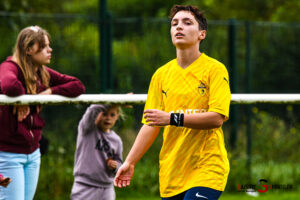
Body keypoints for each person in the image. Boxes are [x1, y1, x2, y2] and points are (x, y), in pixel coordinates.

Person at [114, 5, 231, 200]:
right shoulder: (161, 75)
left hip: (207, 167)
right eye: (174, 23)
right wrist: (130, 162)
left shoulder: (215, 70)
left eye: (187, 23)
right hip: (172, 172)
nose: (179, 27)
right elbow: (151, 123)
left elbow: (217, 117)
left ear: (202, 34)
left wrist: (171, 118)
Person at [0, 25, 85, 200]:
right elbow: (9, 86)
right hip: (9, 154)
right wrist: (26, 99)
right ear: (29, 49)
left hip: (33, 152)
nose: (50, 50)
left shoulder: (42, 73)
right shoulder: (10, 67)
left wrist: (50, 92)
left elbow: (77, 85)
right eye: (44, 46)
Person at [71, 104, 123, 200]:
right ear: (97, 113)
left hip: (107, 188)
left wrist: (115, 166)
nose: (108, 118)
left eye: (112, 115)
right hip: (84, 185)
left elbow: (120, 163)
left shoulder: (117, 140)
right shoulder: (87, 129)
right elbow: (92, 108)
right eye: (104, 114)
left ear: (117, 117)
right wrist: (117, 101)